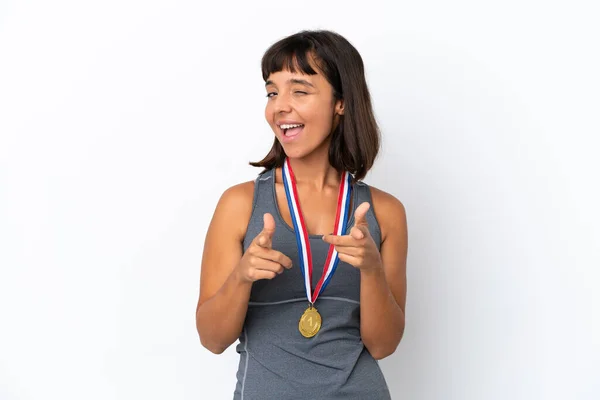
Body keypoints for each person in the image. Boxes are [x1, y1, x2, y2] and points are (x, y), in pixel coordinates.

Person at [195, 30, 408, 400]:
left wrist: (371, 270)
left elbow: (383, 345)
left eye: (300, 90)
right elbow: (212, 340)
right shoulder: (240, 204)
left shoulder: (385, 213)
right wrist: (242, 277)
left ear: (340, 102)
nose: (279, 106)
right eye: (272, 92)